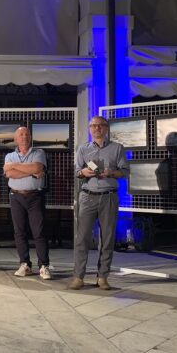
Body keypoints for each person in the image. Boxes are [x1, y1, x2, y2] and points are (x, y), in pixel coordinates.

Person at [69, 116, 129, 291]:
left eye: (100, 125)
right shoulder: (83, 149)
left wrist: (111, 172)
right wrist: (83, 172)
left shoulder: (117, 148)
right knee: (82, 238)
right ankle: (78, 277)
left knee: (107, 239)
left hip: (108, 197)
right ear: (90, 129)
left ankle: (102, 277)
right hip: (87, 197)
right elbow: (76, 171)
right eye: (93, 126)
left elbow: (125, 171)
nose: (97, 128)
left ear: (106, 128)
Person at [4, 126, 51, 280]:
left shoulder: (39, 153)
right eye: (21, 134)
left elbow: (37, 167)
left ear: (30, 137)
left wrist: (15, 167)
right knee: (19, 232)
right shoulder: (9, 155)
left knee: (39, 232)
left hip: (35, 196)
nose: (24, 137)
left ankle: (44, 266)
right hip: (16, 197)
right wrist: (31, 172)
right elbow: (9, 173)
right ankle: (25, 264)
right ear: (15, 139)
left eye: (26, 134)